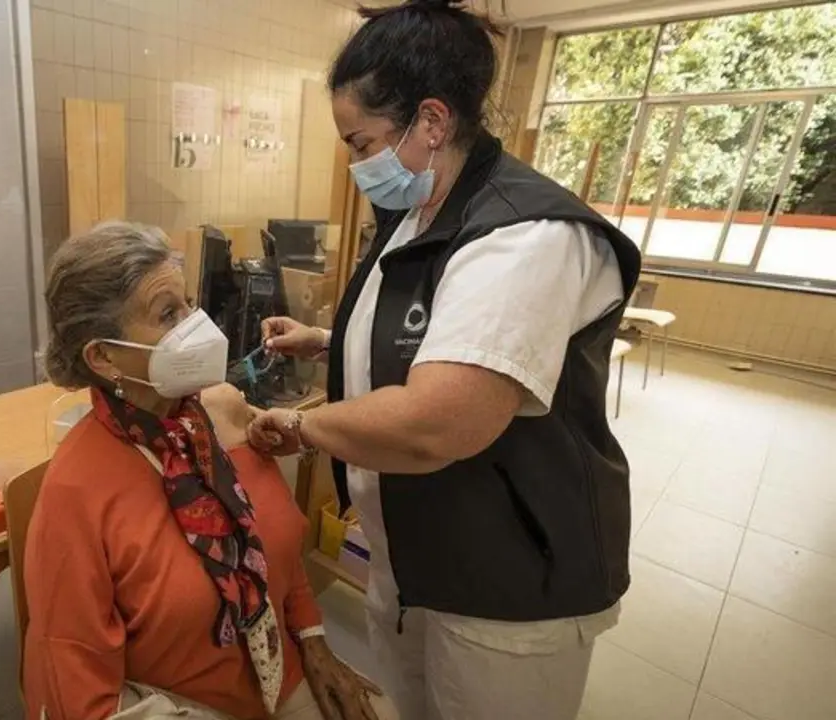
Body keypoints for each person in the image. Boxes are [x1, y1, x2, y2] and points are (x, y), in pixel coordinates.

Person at [249, 2, 642, 719]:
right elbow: (437, 337)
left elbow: (441, 421)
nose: (354, 162)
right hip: (417, 553)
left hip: (508, 578)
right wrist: (329, 343)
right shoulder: (422, 210)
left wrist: (302, 428)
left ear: (431, 122)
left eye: (361, 141)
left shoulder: (526, 235)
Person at [25, 222, 395, 720]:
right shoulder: (75, 493)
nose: (196, 326)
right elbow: (78, 686)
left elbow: (278, 545)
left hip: (279, 670)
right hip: (184, 705)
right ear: (105, 357)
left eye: (189, 304)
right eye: (167, 315)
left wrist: (312, 641)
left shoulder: (217, 414)